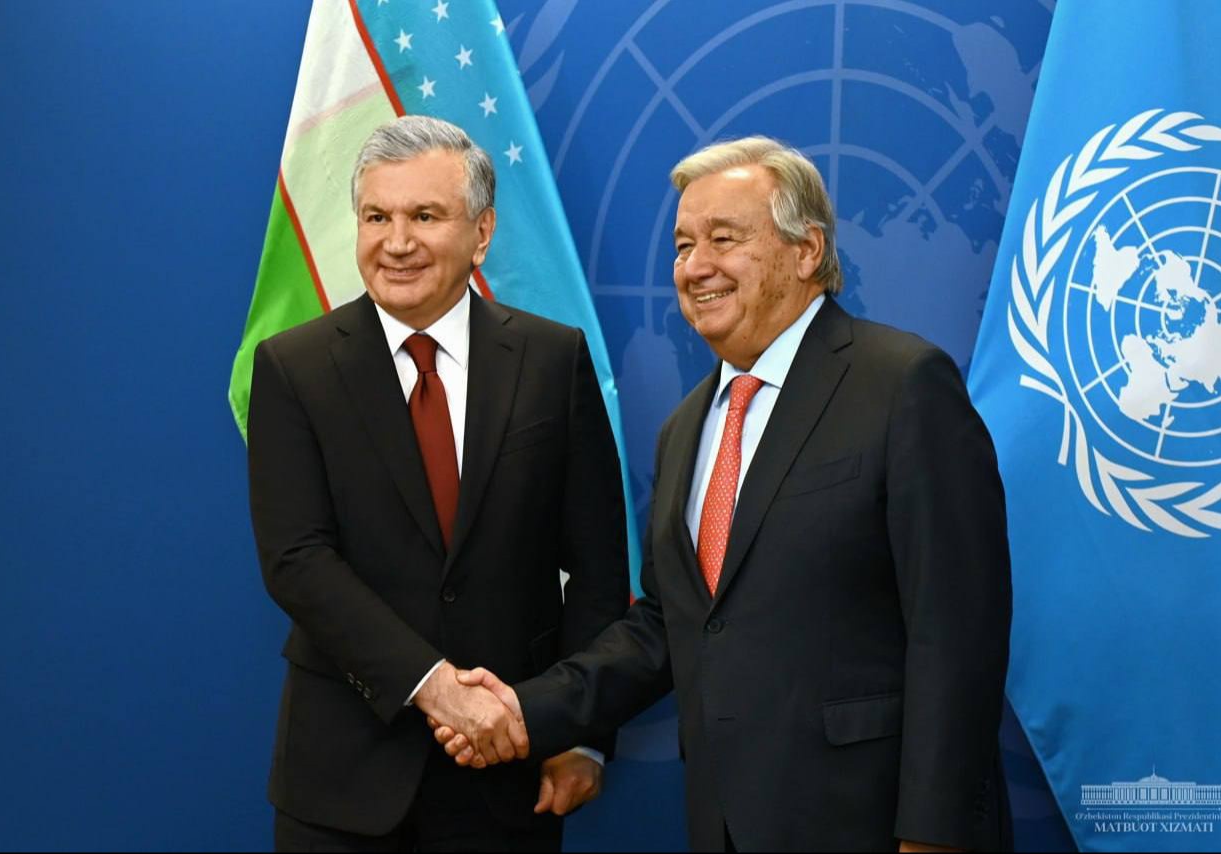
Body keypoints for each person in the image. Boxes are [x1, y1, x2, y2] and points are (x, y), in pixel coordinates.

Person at [434, 137, 1013, 852]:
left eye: (723, 239)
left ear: (807, 251)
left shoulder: (902, 385)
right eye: (683, 246)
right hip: (724, 823)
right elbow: (670, 627)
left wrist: (935, 834)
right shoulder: (685, 429)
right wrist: (528, 710)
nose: (695, 266)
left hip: (872, 822)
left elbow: (957, 630)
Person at [247, 115, 630, 852]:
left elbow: (598, 565)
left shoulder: (552, 360)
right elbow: (297, 560)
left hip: (508, 768)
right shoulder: (295, 369)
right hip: (344, 778)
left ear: (482, 234)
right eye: (377, 217)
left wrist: (575, 731)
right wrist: (436, 687)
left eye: (425, 216)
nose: (397, 242)